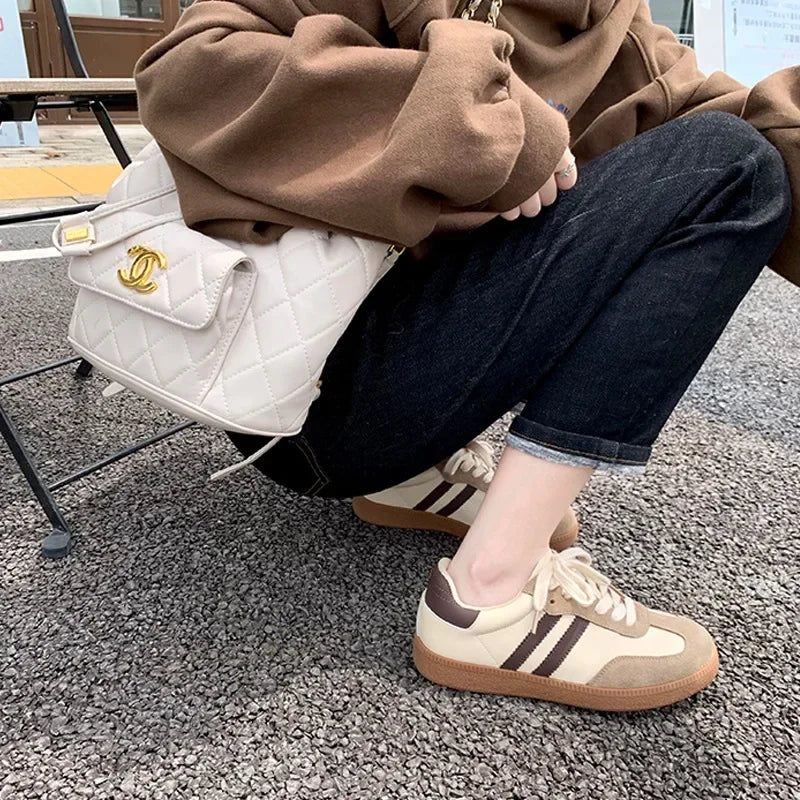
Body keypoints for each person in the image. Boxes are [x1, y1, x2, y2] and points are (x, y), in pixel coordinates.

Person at [134, 0, 798, 711]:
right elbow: (185, 71)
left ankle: (409, 478)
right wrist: (485, 129)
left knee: (731, 156)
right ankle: (489, 599)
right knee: (735, 168)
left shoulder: (615, 25)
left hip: (350, 402)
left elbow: (743, 122)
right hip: (285, 388)